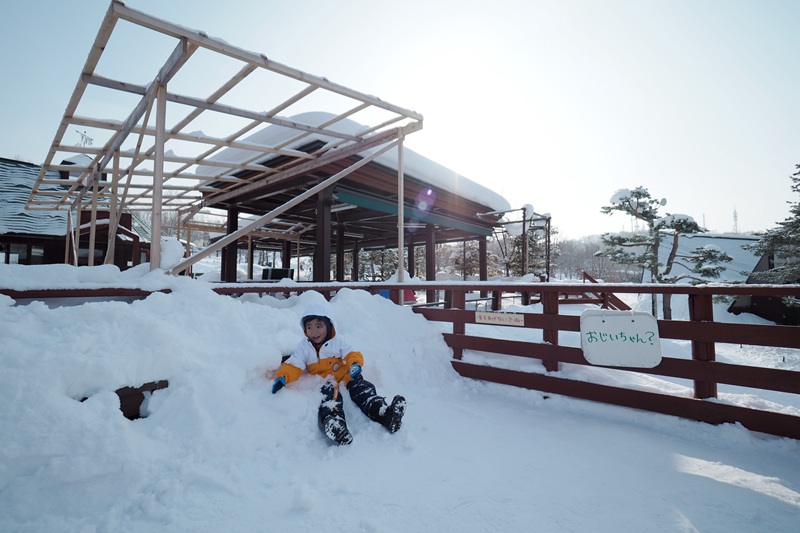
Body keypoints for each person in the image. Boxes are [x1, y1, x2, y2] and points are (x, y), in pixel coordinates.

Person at [271, 301, 406, 445]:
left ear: (329, 326)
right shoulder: (304, 347)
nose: (314, 331)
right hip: (325, 381)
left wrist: (355, 364)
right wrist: (283, 377)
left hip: (346, 377)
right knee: (329, 397)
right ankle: (334, 423)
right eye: (309, 327)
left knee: (363, 389)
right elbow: (294, 363)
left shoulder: (338, 341)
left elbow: (351, 352)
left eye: (319, 326)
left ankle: (384, 413)